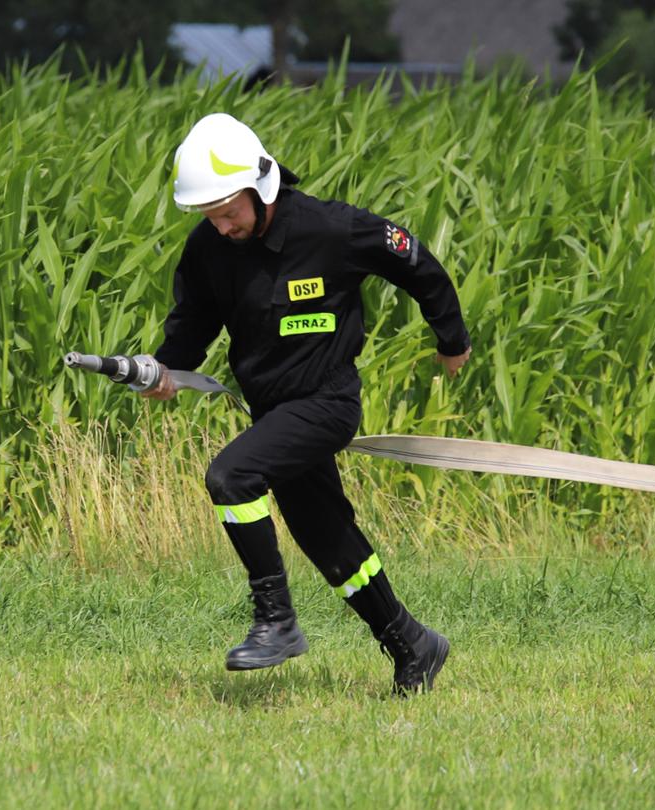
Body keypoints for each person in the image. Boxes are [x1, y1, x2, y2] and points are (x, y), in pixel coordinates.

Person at [143, 113, 472, 693]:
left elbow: (416, 262)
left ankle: (276, 620)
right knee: (328, 539)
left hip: (327, 402)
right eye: (209, 216)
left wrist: (452, 339)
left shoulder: (330, 228)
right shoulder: (208, 250)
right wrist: (167, 368)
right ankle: (413, 645)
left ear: (259, 185)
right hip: (272, 416)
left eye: (228, 211)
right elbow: (191, 324)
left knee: (231, 476)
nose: (221, 227)